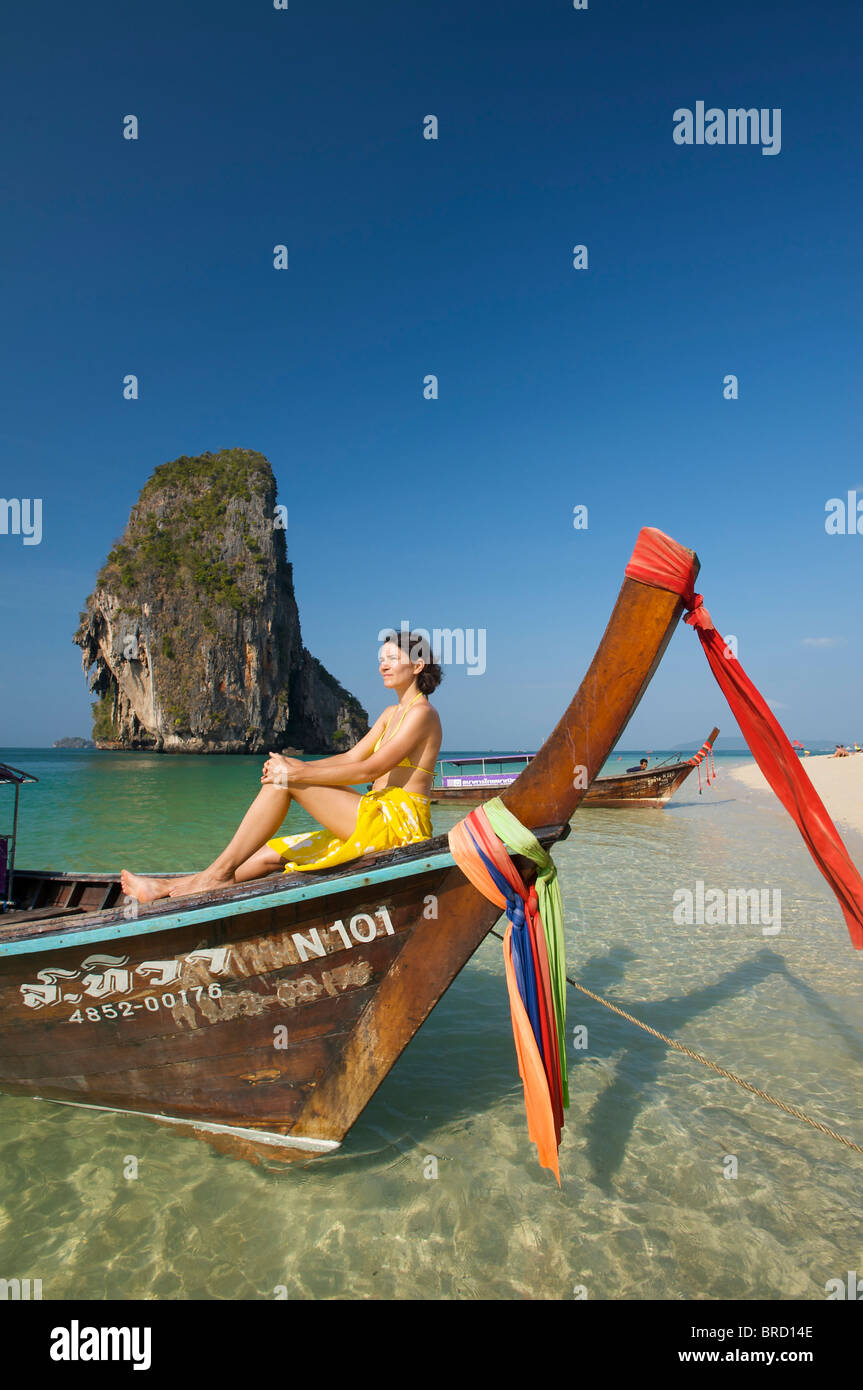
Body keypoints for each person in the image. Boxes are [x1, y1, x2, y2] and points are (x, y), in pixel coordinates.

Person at [120, 630, 443, 903]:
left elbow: (368, 771)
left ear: (416, 665)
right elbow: (350, 759)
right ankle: (169, 887)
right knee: (267, 855)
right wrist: (294, 764)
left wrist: (296, 774)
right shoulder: (390, 714)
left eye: (391, 659)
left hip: (400, 827)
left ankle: (216, 876)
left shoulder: (422, 714)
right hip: (375, 815)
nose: (383, 666)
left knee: (284, 782)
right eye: (381, 660)